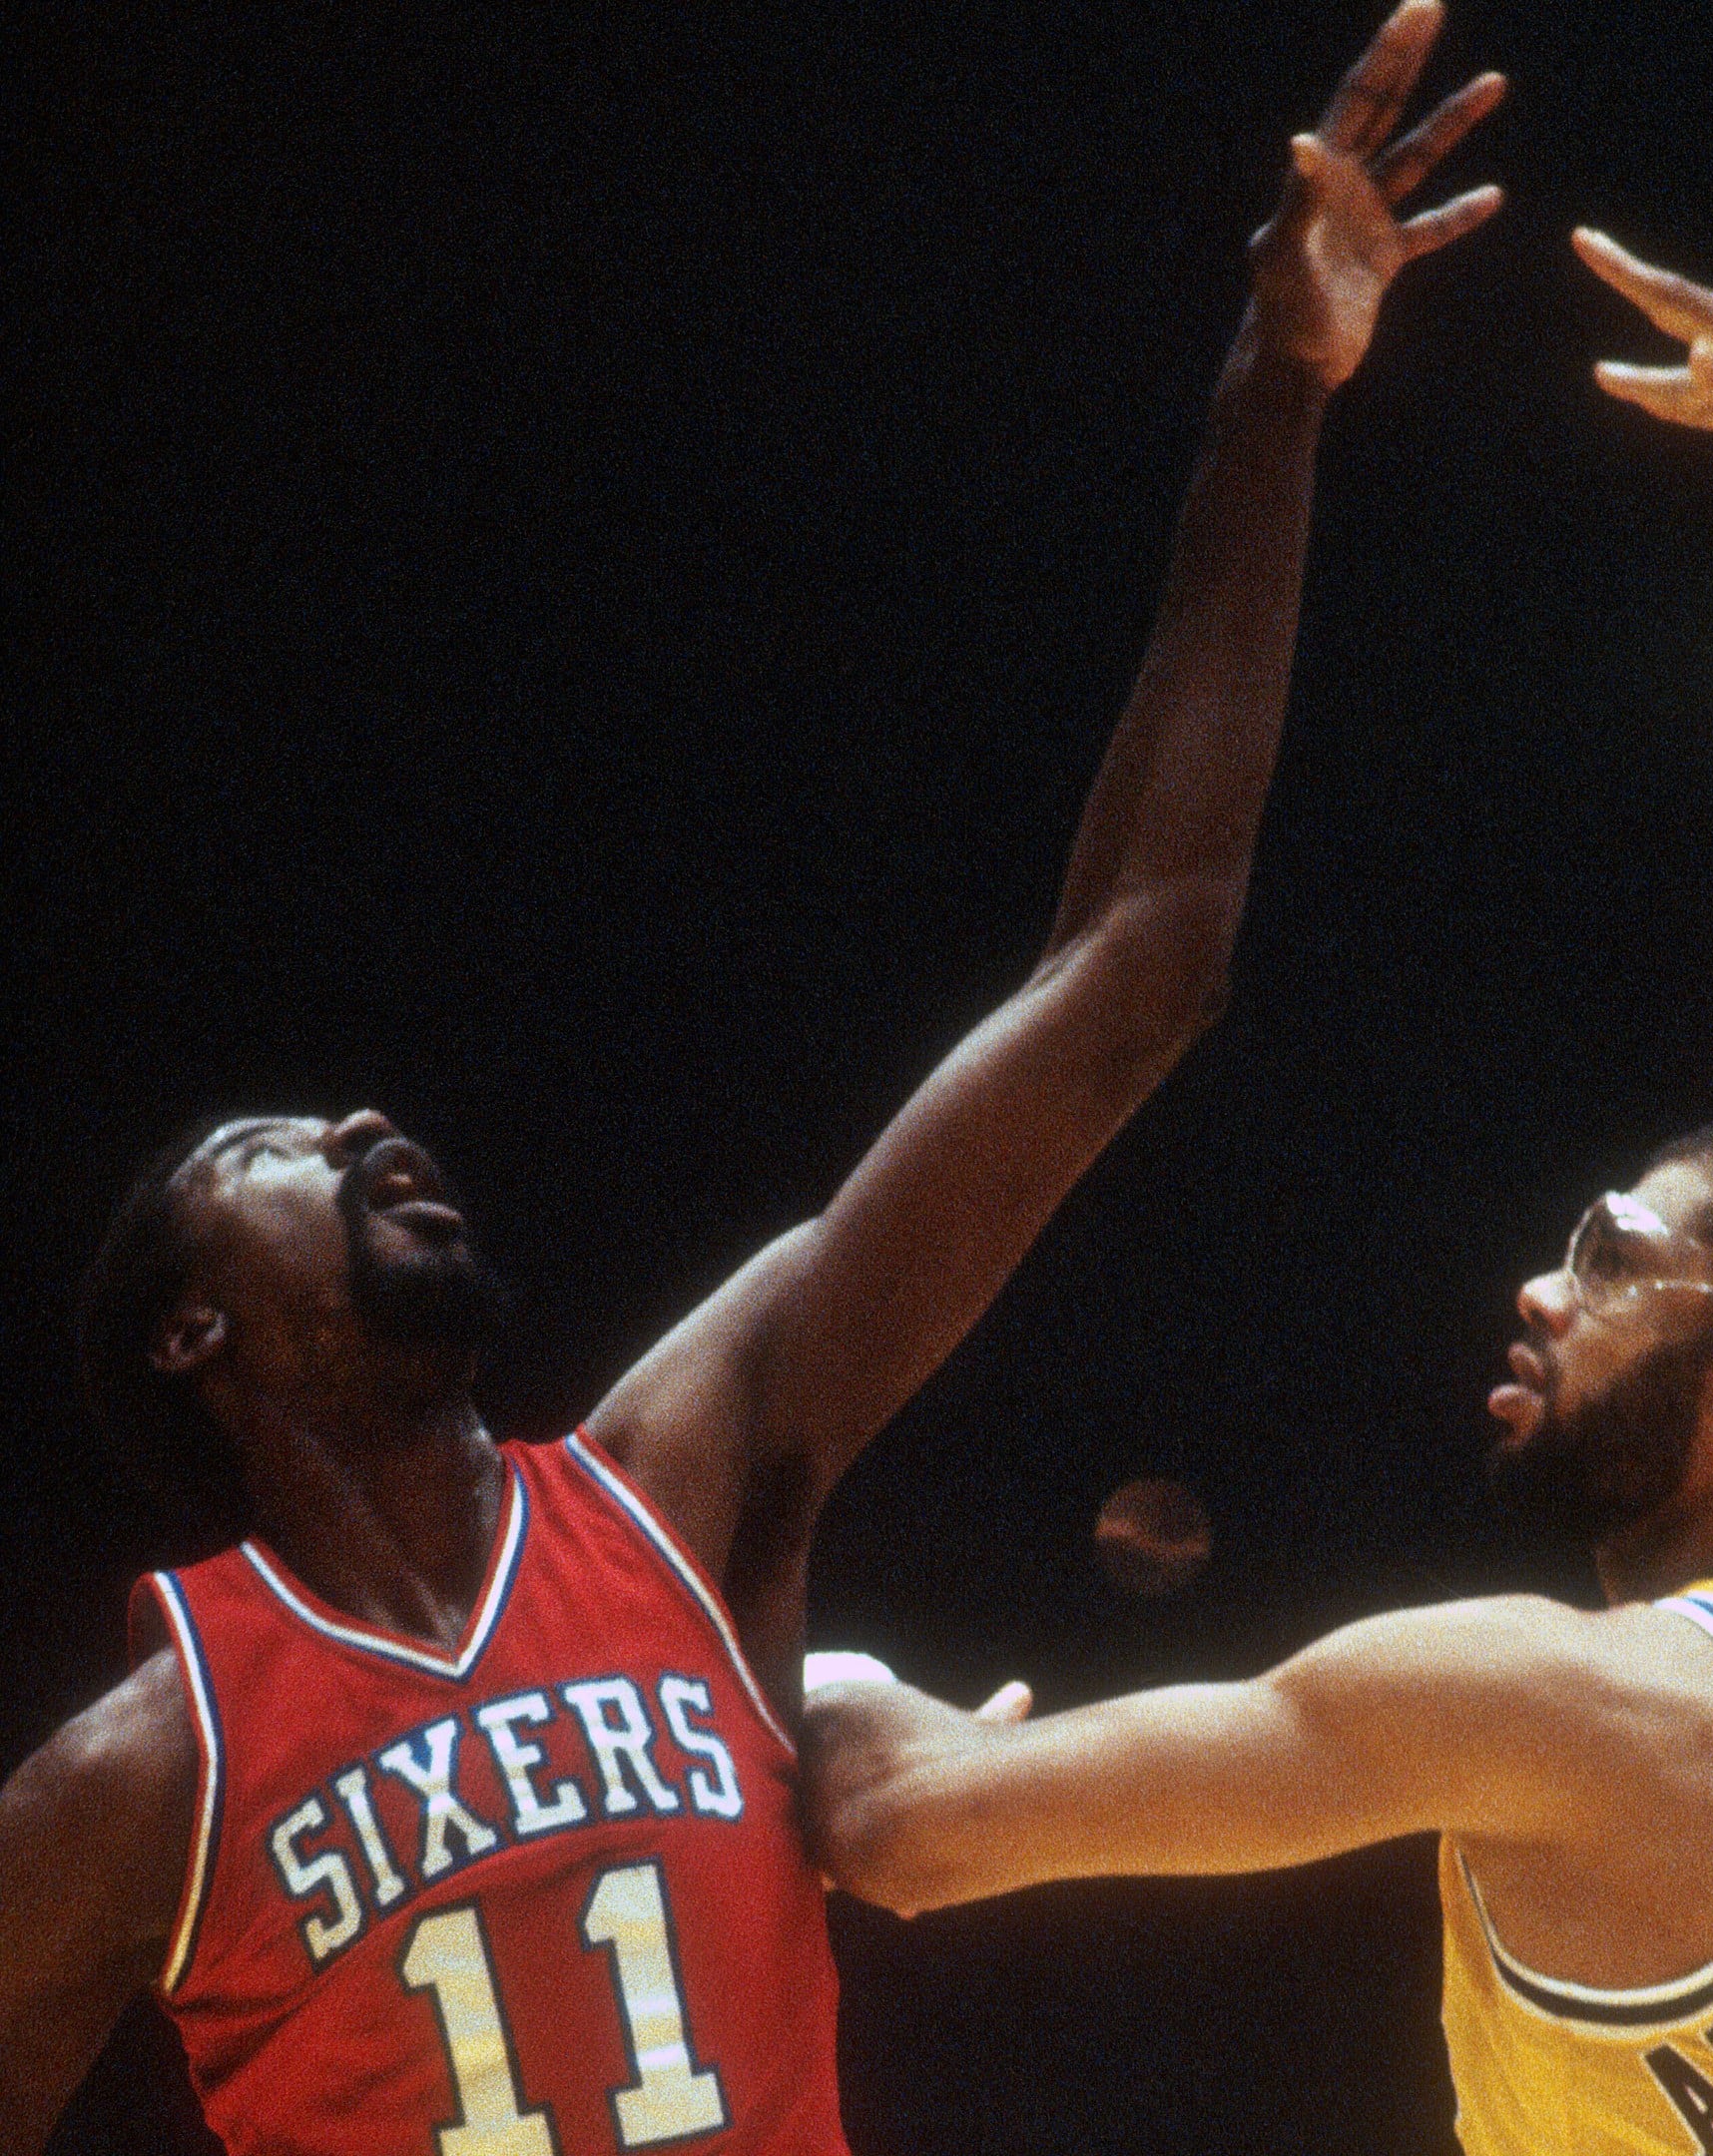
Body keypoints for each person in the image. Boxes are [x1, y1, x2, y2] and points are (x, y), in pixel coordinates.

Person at [0, 10, 1506, 2149]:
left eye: (358, 1121)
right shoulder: (147, 1775)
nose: (362, 1131)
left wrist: (1275, 394)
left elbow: (1137, 968)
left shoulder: (685, 1484)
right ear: (193, 1327)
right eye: (278, 1150)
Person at [804, 233, 1713, 2156]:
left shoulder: (1554, 1703)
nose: (1547, 1289)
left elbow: (892, 1831)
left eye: (1613, 1258)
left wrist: (827, 1663)